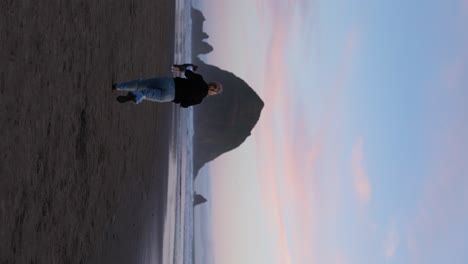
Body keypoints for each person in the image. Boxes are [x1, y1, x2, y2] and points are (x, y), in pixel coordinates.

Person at [113, 64, 222, 108]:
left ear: (211, 83)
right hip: (170, 96)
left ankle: (118, 86)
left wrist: (189, 67)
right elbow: (184, 105)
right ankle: (138, 96)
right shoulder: (199, 100)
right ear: (212, 93)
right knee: (146, 94)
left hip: (170, 82)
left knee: (141, 84)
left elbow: (187, 73)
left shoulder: (200, 79)